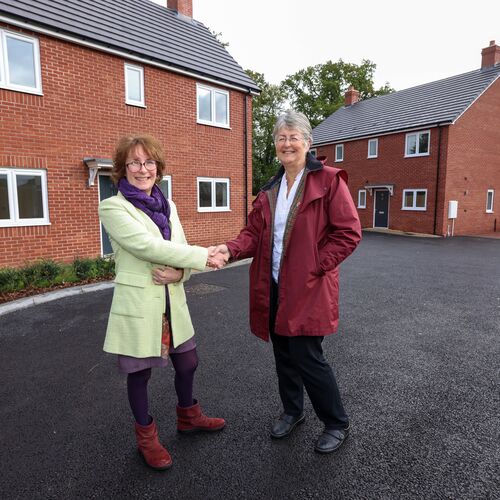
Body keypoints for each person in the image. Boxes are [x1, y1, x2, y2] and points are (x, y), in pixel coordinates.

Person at [213, 110, 362, 453]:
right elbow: (252, 234)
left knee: (308, 356)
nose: (287, 143)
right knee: (283, 355)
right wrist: (228, 249)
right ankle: (293, 411)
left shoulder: (328, 180)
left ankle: (336, 422)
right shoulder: (271, 188)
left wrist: (315, 265)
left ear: (308, 143)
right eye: (281, 138)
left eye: (294, 137)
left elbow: (348, 233)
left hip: (309, 285)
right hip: (275, 284)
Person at [99, 134, 226, 470]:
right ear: (122, 169)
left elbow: (177, 250)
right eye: (135, 163)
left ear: (158, 167)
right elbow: (146, 247)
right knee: (140, 374)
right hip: (140, 303)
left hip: (172, 300)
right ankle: (147, 438)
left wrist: (180, 274)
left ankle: (188, 416)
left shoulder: (167, 205)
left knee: (188, 362)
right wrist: (204, 256)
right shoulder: (112, 207)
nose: (143, 169)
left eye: (149, 162)